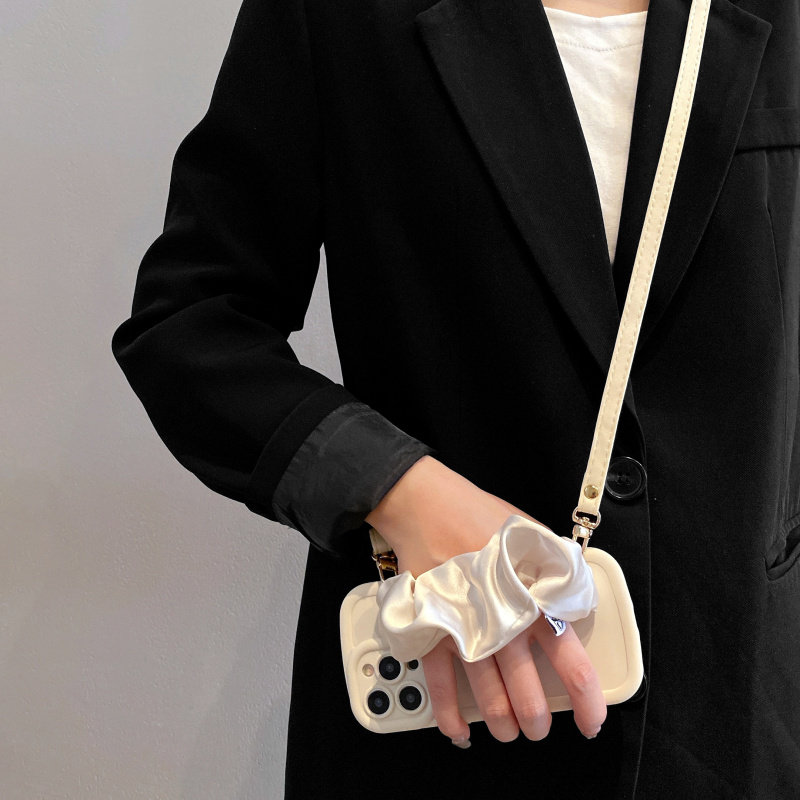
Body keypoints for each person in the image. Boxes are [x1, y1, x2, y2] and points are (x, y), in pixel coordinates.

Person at [111, 0, 800, 796]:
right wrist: (395, 486)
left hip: (742, 707)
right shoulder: (338, 18)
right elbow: (190, 324)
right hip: (443, 710)